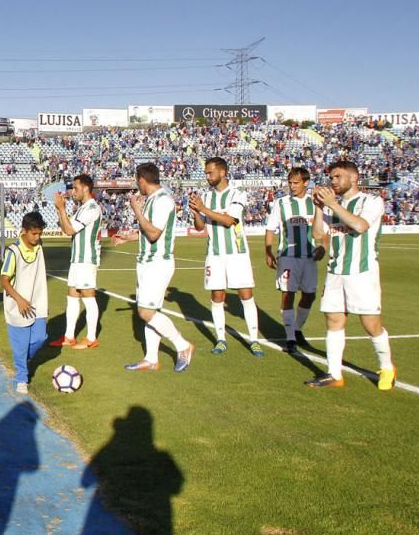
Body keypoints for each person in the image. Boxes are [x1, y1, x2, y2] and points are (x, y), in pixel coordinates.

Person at [306, 161, 396, 390]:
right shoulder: (330, 205)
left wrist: (332, 204)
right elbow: (318, 234)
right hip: (336, 271)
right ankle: (334, 374)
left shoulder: (372, 201)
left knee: (370, 323)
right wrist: (318, 207)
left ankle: (387, 367)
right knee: (334, 321)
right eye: (331, 178)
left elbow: (360, 226)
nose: (333, 181)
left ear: (353, 178)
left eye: (337, 177)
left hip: (362, 272)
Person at [117, 163, 195, 373]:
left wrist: (137, 211)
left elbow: (153, 233)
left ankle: (183, 346)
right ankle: (151, 358)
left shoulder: (163, 200)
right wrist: (129, 237)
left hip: (158, 263)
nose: (137, 185)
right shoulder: (152, 199)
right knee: (151, 310)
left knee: (145, 311)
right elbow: (147, 233)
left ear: (142, 179)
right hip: (146, 262)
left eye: (137, 181)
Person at [188, 157, 264, 357]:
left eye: (210, 172)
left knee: (245, 295)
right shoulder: (207, 196)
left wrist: (203, 209)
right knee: (217, 296)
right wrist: (196, 211)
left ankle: (254, 340)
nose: (207, 176)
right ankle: (221, 339)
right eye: (205, 173)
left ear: (222, 172)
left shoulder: (237, 194)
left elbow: (230, 220)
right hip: (214, 253)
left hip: (237, 253)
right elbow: (200, 227)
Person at [264, 167, 323, 353]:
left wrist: (323, 246)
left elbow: (325, 229)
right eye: (290, 182)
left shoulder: (316, 203)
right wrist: (268, 251)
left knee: (310, 295)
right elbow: (270, 229)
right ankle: (290, 338)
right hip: (288, 257)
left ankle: (297, 330)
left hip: (309, 257)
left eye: (296, 183)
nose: (292, 186)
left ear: (306, 183)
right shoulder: (281, 203)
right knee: (287, 294)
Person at [49, 175, 103, 349]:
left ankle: (91, 339)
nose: (73, 192)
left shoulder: (92, 208)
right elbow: (65, 228)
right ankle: (69, 337)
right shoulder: (82, 208)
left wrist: (62, 209)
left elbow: (70, 230)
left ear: (86, 188)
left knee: (88, 296)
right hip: (77, 259)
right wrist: (60, 209)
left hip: (86, 259)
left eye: (75, 188)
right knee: (72, 297)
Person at [1, 212, 49, 395]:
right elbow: (4, 280)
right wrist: (19, 300)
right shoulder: (13, 252)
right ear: (24, 231)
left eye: (40, 234)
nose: (37, 238)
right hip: (17, 305)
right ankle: (22, 377)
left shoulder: (39, 245)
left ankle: (20, 359)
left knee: (41, 337)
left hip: (38, 301)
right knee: (21, 345)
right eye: (34, 234)